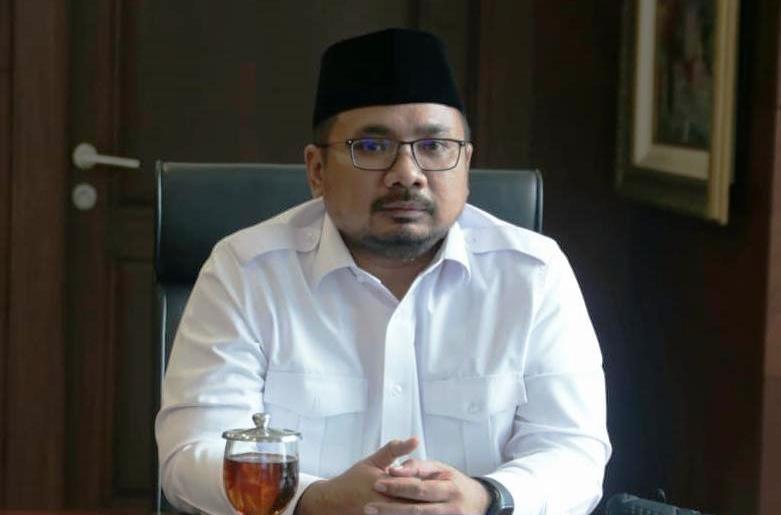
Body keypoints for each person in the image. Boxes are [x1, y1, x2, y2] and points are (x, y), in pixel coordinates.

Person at [156, 28, 611, 515]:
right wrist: (313, 501)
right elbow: (191, 456)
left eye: (435, 146)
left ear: (466, 165)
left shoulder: (533, 274)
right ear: (316, 170)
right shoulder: (247, 271)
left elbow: (574, 453)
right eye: (372, 146)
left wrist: (486, 499)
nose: (407, 173)